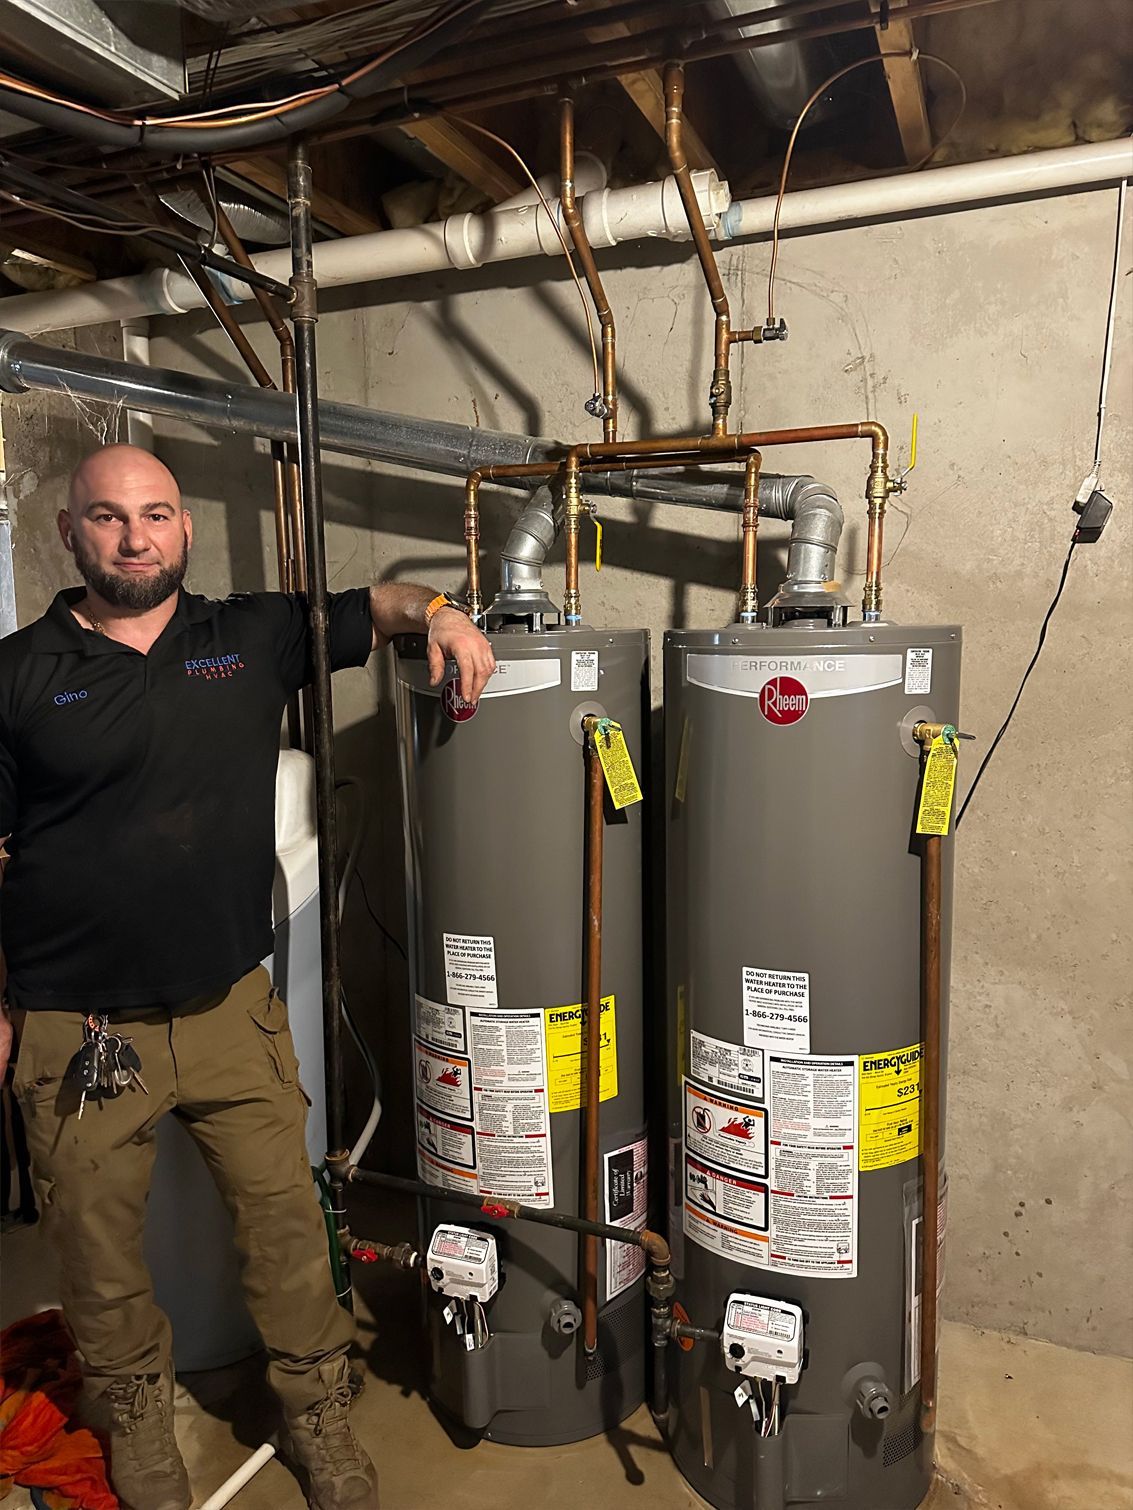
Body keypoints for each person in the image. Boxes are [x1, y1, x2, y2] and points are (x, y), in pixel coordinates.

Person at [0, 444, 496, 1510]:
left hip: (232, 1007)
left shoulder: (251, 635)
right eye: (109, 517)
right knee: (93, 1248)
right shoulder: (15, 674)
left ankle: (315, 1409)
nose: (136, 535)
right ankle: (133, 1415)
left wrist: (446, 613)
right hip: (73, 1021)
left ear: (183, 528)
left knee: (286, 1225)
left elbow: (381, 601)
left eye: (157, 513)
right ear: (69, 534)